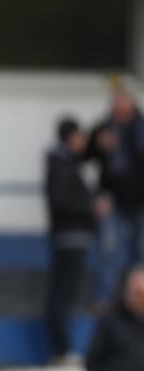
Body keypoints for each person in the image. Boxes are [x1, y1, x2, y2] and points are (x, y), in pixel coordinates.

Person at [45, 117, 97, 362]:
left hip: (72, 236)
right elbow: (61, 201)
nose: (84, 142)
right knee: (64, 294)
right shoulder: (61, 165)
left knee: (66, 293)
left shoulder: (67, 162)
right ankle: (62, 350)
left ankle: (63, 348)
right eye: (80, 136)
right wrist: (91, 208)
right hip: (70, 237)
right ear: (71, 137)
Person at [88, 88, 144, 304]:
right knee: (108, 250)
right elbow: (85, 156)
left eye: (122, 104)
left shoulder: (141, 127)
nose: (117, 109)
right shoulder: (104, 128)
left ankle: (138, 300)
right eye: (115, 105)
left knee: (140, 253)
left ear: (131, 105)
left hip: (140, 200)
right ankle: (106, 300)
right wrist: (98, 145)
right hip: (111, 200)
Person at [86, 265, 144, 371]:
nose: (136, 297)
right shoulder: (110, 321)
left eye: (140, 294)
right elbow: (93, 361)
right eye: (133, 291)